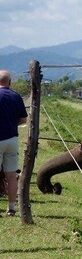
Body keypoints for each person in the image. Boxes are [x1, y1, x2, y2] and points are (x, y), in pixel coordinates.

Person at [0, 70, 28, 216]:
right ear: (9, 82)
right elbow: (24, 120)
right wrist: (11, 124)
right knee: (11, 175)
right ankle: (11, 208)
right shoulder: (16, 96)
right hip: (11, 139)